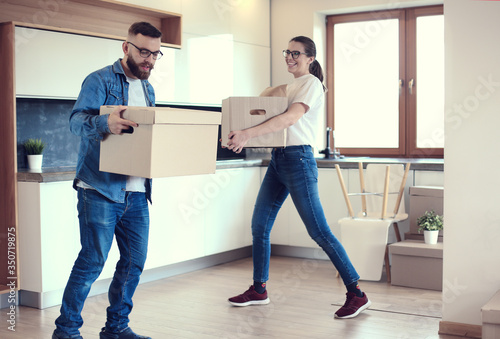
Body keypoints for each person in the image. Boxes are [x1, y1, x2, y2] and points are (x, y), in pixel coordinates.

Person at [226, 36, 371, 319]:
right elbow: (267, 108)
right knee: (259, 225)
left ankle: (357, 293)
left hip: (299, 160)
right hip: (279, 158)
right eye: (287, 52)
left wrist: (246, 135)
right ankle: (259, 289)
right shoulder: (291, 85)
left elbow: (290, 119)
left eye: (296, 53)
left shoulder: (310, 84)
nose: (289, 57)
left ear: (310, 58)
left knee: (318, 231)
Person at [53, 22, 163, 339]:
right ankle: (66, 331)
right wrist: (106, 123)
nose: (150, 60)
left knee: (133, 263)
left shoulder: (149, 89)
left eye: (156, 54)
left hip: (138, 191)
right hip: (100, 188)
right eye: (144, 52)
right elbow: (76, 122)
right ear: (126, 47)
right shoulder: (99, 80)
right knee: (92, 261)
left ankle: (116, 329)